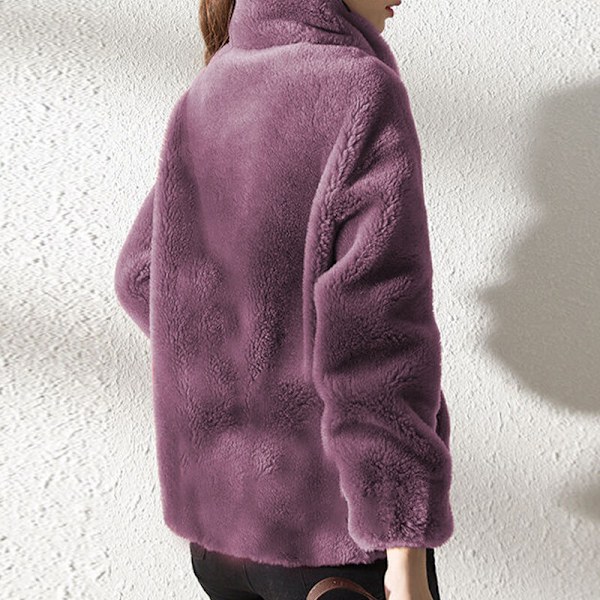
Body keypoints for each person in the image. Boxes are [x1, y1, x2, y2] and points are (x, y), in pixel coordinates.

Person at [114, 0, 454, 598]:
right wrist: (405, 557)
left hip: (219, 544)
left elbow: (142, 275)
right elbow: (376, 345)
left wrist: (255, 375)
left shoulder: (211, 87)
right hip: (331, 550)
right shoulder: (359, 90)